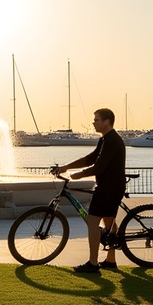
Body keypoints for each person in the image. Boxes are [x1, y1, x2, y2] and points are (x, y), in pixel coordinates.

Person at [54, 108, 126, 274]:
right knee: (109, 223)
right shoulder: (105, 139)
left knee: (93, 222)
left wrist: (79, 175)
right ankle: (110, 260)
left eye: (97, 120)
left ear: (107, 121)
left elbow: (99, 166)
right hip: (112, 186)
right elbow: (90, 158)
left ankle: (93, 264)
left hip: (108, 188)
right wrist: (67, 167)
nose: (93, 123)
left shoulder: (112, 140)